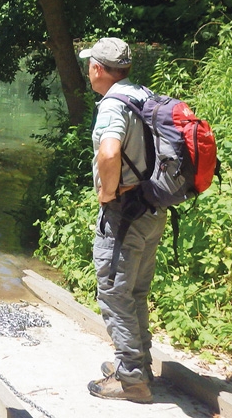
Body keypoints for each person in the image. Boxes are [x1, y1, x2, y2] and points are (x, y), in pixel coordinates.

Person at [79, 37, 166, 404]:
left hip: (124, 213)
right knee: (136, 292)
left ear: (98, 69)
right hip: (153, 207)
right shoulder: (143, 94)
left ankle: (131, 380)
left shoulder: (113, 104)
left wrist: (106, 193)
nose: (87, 71)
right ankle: (139, 365)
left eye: (89, 65)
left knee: (115, 294)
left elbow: (110, 150)